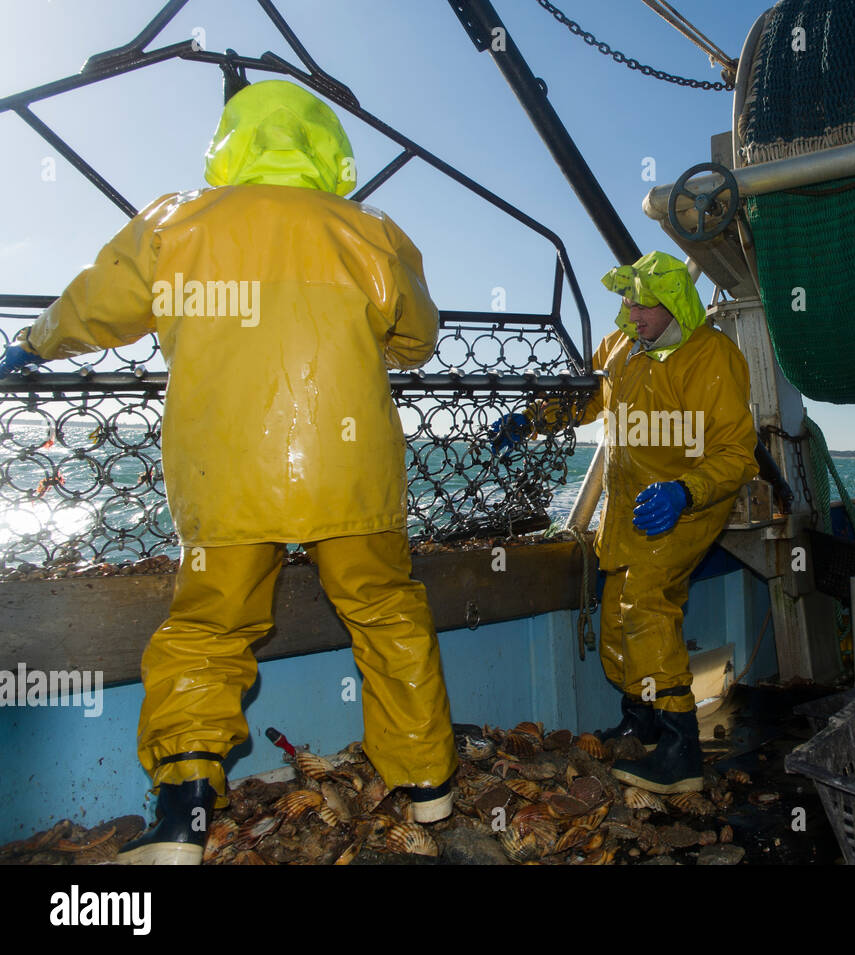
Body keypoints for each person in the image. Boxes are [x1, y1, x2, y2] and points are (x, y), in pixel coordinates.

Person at [0, 80, 457, 863]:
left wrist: (34, 344)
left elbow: (98, 304)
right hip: (351, 474)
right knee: (387, 614)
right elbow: (419, 337)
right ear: (328, 148)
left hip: (228, 473)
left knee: (209, 632)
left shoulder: (176, 220)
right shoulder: (371, 229)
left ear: (231, 142)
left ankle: (182, 814)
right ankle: (428, 787)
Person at [493, 250, 757, 793]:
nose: (631, 313)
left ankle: (682, 750)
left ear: (676, 305)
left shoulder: (712, 357)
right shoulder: (619, 347)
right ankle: (644, 723)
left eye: (644, 304)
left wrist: (686, 491)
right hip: (628, 506)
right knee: (615, 616)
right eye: (627, 301)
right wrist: (532, 419)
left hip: (686, 507)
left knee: (644, 607)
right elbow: (586, 400)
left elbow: (736, 453)